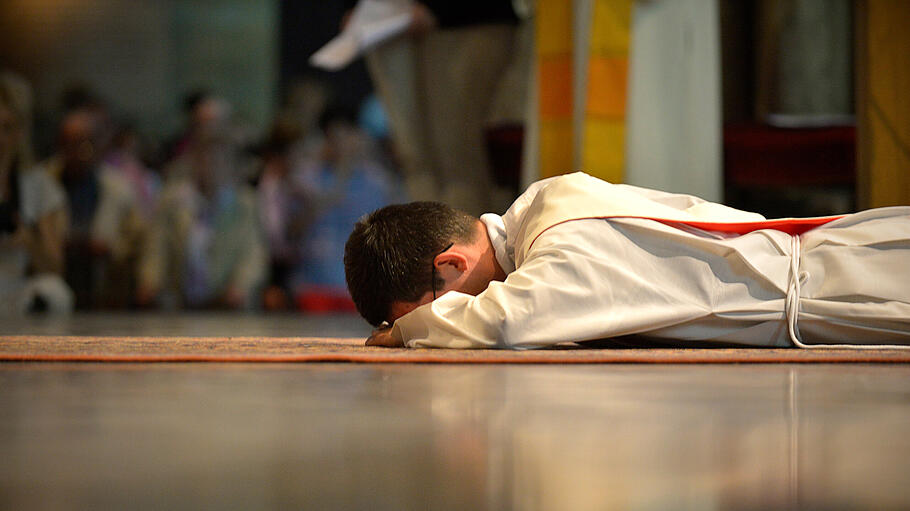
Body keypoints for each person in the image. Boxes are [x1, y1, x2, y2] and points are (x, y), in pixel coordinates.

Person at [344, 172, 910, 349]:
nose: (437, 317)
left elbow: (506, 319)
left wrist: (406, 334)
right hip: (838, 267)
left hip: (842, 290)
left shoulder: (559, 243)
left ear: (449, 266)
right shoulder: (546, 200)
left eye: (430, 304)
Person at [0, 72, 72, 314]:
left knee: (55, 291)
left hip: (16, 288)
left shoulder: (37, 184)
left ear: (20, 131)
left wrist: (28, 239)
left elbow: (54, 267)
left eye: (7, 128)